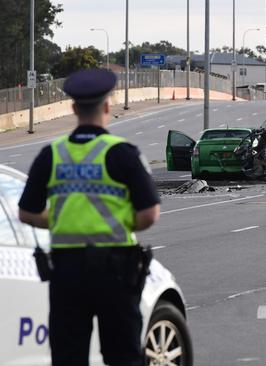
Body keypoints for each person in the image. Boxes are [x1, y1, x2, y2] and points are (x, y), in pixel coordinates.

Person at [18, 68, 161, 366]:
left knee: (68, 357)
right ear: (107, 107)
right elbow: (149, 214)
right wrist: (120, 223)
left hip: (66, 272)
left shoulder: (52, 154)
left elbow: (27, 212)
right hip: (116, 270)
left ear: (73, 109)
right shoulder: (122, 153)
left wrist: (58, 220)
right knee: (123, 356)